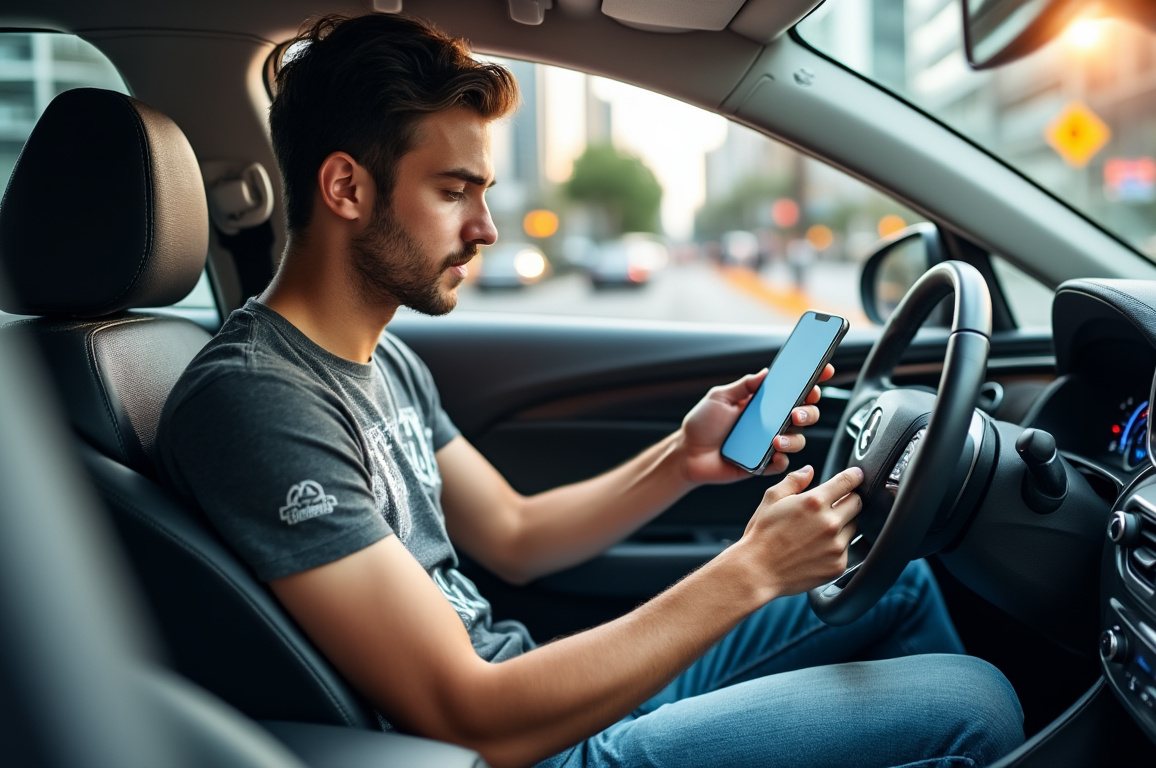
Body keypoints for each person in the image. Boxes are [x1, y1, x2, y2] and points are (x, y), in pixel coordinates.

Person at [156, 13, 1023, 768]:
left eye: (483, 192)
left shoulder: (385, 361)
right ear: (346, 186)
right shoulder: (256, 400)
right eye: (454, 192)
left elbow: (518, 537)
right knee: (973, 706)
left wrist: (680, 461)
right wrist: (752, 569)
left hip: (538, 694)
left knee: (898, 582)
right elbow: (469, 716)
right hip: (517, 751)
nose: (486, 228)